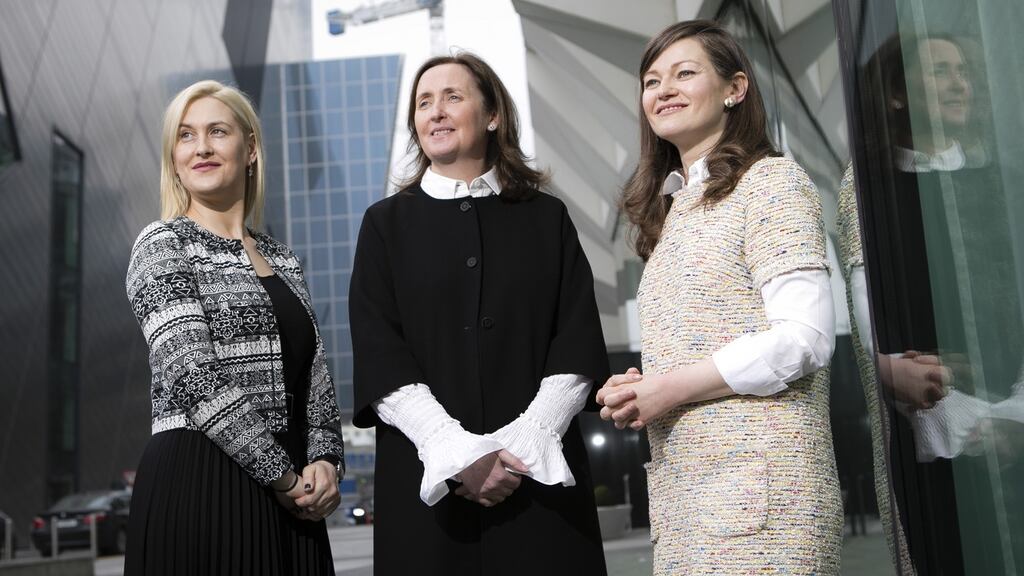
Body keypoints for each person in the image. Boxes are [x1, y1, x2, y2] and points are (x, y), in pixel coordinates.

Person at [349, 52, 610, 575]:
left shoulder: (546, 218)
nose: (436, 112)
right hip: (430, 489)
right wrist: (455, 452)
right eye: (424, 102)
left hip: (539, 484)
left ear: (493, 116)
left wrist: (526, 442)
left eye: (452, 97)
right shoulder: (384, 226)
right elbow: (380, 354)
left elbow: (576, 339)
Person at [598, 20, 843, 573]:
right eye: (652, 80)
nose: (664, 90)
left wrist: (669, 388)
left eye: (685, 73)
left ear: (735, 88)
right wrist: (641, 387)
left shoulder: (771, 182)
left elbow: (804, 340)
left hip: (764, 502)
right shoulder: (673, 213)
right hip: (689, 501)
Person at [123, 80, 345, 576]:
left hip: (294, 494)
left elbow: (315, 379)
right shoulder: (161, 244)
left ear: (250, 149)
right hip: (200, 480)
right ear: (174, 158)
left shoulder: (283, 258)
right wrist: (282, 477)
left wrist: (326, 461)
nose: (201, 147)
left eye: (217, 131)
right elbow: (192, 374)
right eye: (185, 136)